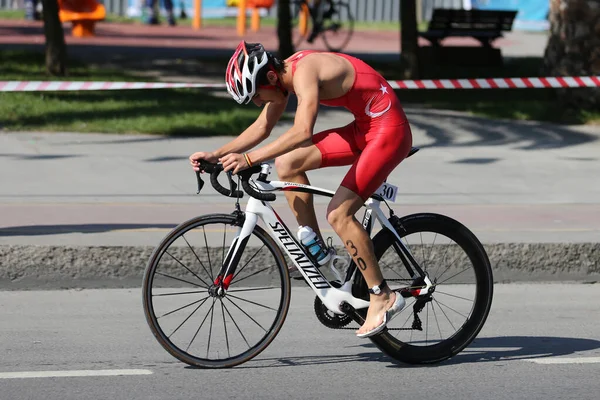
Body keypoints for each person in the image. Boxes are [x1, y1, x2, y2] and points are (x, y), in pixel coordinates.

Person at [189, 41, 413, 338]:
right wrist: (217, 154)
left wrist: (249, 159)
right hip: (365, 127)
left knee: (339, 214)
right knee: (289, 162)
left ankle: (382, 296)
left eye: (256, 95)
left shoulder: (305, 71)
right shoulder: (282, 77)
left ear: (269, 78)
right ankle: (316, 251)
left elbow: (302, 131)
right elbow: (262, 127)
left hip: (388, 132)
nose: (258, 102)